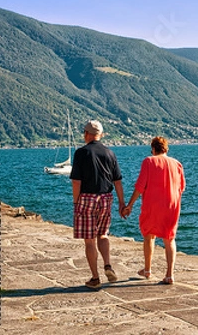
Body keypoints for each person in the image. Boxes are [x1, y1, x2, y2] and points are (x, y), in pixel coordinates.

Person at [70, 120, 125, 289]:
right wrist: (122, 203)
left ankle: (95, 278)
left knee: (89, 241)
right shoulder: (110, 153)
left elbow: (76, 182)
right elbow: (117, 182)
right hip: (106, 198)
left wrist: (76, 202)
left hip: (87, 198)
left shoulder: (81, 153)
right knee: (103, 234)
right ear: (100, 135)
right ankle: (107, 264)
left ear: (86, 134)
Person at [122, 136, 185, 285]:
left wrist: (129, 205)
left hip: (152, 205)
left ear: (153, 149)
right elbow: (182, 187)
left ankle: (148, 269)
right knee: (169, 238)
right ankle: (169, 274)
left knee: (149, 235)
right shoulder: (177, 164)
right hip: (171, 204)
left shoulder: (149, 161)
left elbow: (140, 186)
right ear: (166, 149)